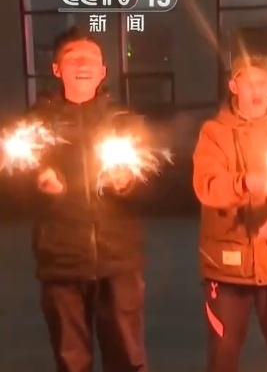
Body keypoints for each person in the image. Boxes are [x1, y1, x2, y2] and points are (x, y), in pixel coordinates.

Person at [28, 26, 149, 371]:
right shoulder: (37, 124)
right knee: (71, 360)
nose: (83, 64)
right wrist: (36, 182)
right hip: (61, 260)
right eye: (73, 58)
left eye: (91, 59)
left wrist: (128, 183)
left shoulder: (125, 122)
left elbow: (153, 179)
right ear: (56, 69)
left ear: (103, 70)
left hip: (118, 261)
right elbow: (13, 178)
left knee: (127, 358)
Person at [192, 53, 267, 372]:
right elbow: (206, 186)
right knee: (223, 354)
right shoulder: (214, 132)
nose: (256, 91)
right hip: (226, 268)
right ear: (233, 86)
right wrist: (244, 183)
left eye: (262, 83)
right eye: (247, 83)